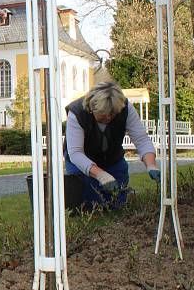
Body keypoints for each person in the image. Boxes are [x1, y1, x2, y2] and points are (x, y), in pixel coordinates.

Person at [64, 81, 159, 209]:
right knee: (89, 205)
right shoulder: (77, 113)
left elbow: (141, 140)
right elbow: (76, 153)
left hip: (112, 159)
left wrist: (151, 165)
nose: (108, 118)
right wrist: (101, 175)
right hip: (81, 162)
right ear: (92, 108)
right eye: (103, 115)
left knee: (117, 204)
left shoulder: (125, 108)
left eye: (112, 114)